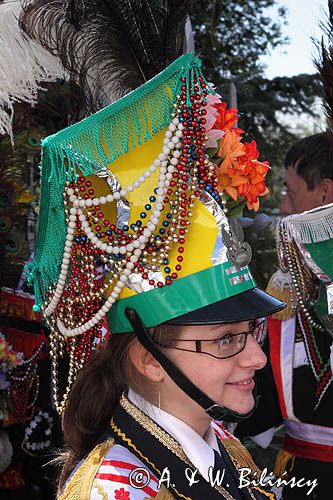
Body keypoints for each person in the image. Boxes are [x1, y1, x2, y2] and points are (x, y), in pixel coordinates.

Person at [21, 2, 286, 498]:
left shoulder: (227, 449)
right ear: (146, 358)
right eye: (228, 339)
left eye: (250, 332)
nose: (256, 357)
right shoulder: (114, 490)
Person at [237, 132, 333, 500]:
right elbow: (263, 404)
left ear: (324, 193)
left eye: (291, 192)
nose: (284, 207)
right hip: (302, 479)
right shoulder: (290, 285)